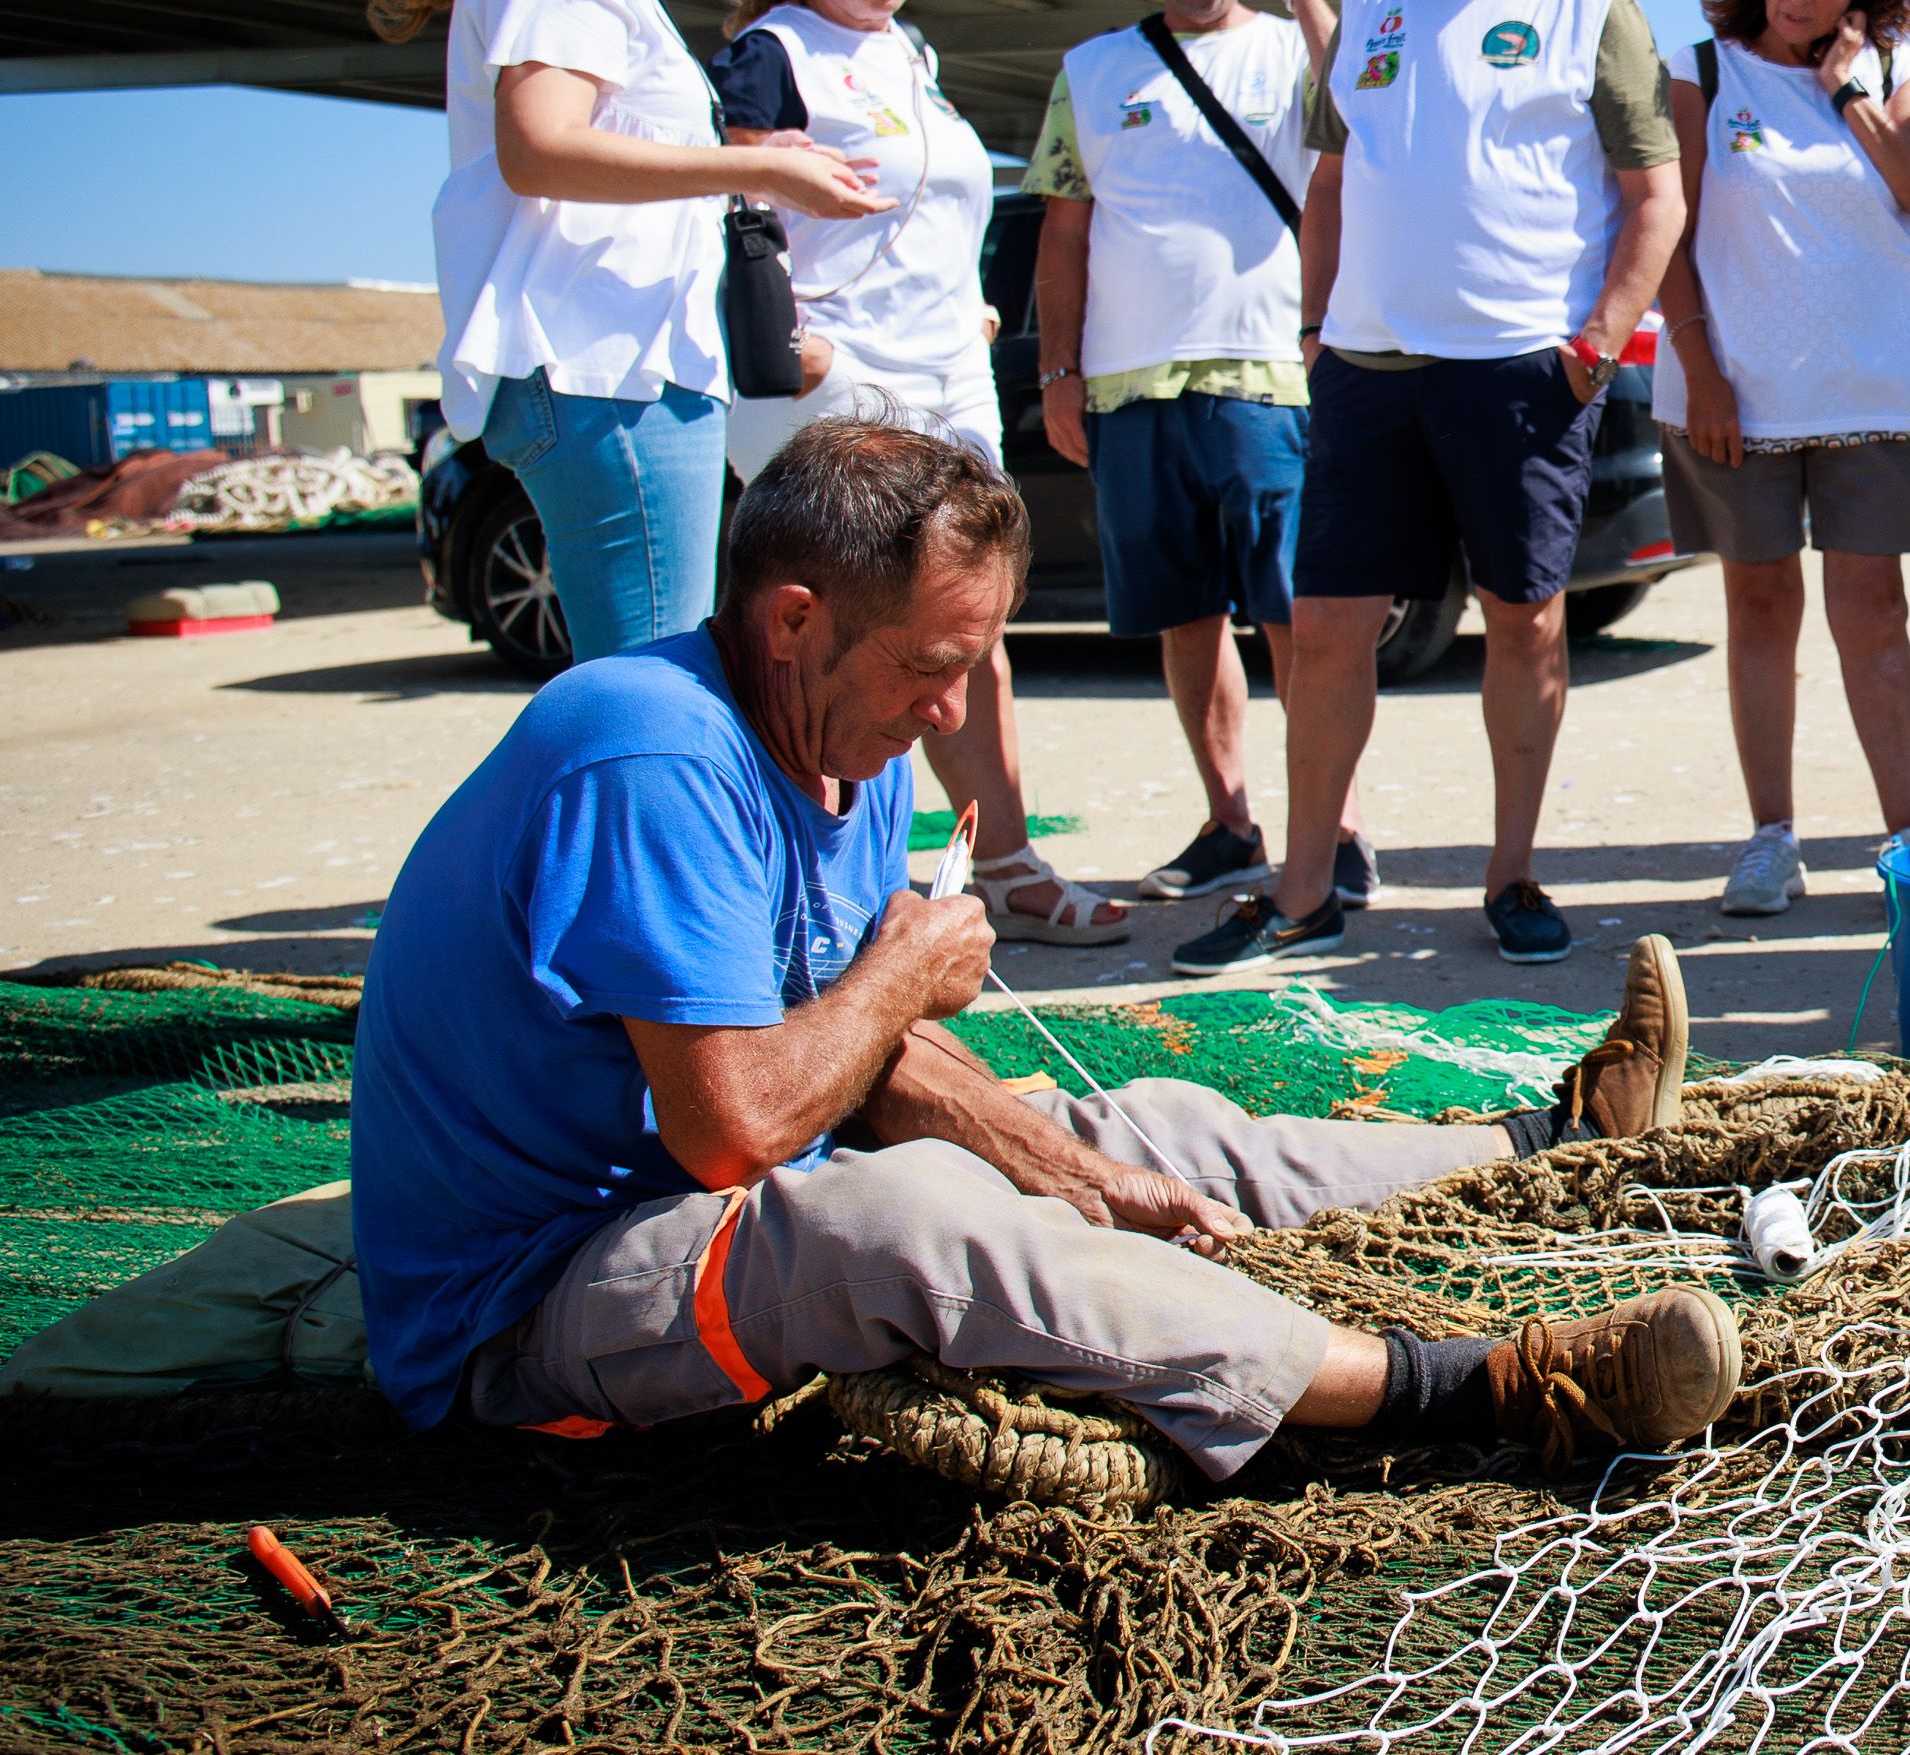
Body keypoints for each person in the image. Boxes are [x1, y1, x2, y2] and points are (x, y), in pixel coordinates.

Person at [348, 418, 1740, 1481]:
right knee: (899, 1227)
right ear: (794, 621)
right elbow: (736, 1131)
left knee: (1126, 1125)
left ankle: (1543, 1133)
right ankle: (1480, 1389)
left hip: (732, 1165)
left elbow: (869, 1058)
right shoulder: (646, 752)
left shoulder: (844, 729)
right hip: (533, 1299)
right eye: (930, 668)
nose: (953, 710)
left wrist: (1086, 1174)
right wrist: (898, 975)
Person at [289, 0, 890, 660]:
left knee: (652, 680)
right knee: (651, 688)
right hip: (606, 370)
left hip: (622, 367)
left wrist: (744, 159)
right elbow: (541, 146)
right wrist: (767, 175)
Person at [1194, 0, 1684, 974]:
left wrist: (1594, 344)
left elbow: (1654, 192)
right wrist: (1314, 327)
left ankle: (1512, 872)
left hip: (1519, 368)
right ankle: (1304, 890)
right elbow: (1330, 178)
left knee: (1526, 623)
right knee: (1325, 629)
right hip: (1369, 365)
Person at [677, 0, 1130, 948]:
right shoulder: (774, 53)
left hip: (946, 378)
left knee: (969, 631)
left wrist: (964, 306)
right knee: (848, 640)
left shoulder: (910, 53)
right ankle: (804, 886)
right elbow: (728, 217)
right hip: (844, 394)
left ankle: (1005, 865)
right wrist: (804, 347)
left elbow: (923, 211)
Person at [1021, 0, 1364, 919]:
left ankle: (1333, 831)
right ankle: (1231, 824)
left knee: (1297, 620)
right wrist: (1058, 369)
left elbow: (1367, 113)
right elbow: (1063, 233)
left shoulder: (1289, 49)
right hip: (1131, 385)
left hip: (1265, 369)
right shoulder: (1091, 70)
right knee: (1184, 618)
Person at [1651, 0, 1910, 916]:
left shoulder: (1891, 67)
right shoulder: (1696, 71)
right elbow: (1666, 230)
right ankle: (1771, 838)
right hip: (1735, 389)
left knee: (1874, 608)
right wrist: (1696, 365)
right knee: (1761, 605)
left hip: (1868, 387)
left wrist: (1848, 91)